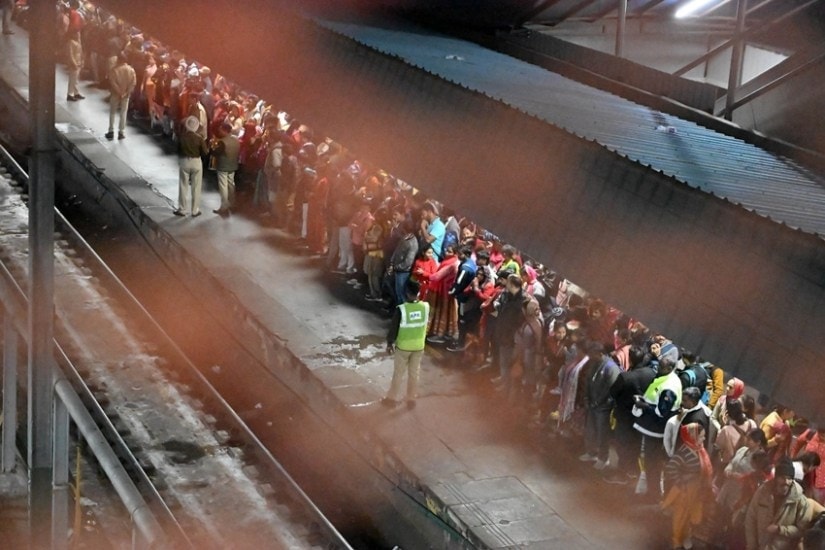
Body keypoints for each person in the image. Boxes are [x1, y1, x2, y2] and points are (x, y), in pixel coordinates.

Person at [662, 423, 713, 550]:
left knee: (692, 515)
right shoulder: (683, 453)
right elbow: (671, 468)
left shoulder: (699, 450)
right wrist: (681, 484)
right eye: (701, 437)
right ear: (692, 437)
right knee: (680, 517)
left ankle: (686, 537)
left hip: (697, 490)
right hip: (685, 491)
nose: (704, 439)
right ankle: (677, 542)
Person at [382, 279, 430, 410]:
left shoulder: (402, 310)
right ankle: (411, 399)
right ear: (419, 292)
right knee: (414, 374)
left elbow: (393, 329)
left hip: (403, 347)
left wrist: (389, 343)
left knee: (398, 374)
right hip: (419, 346)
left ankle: (391, 398)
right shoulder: (425, 307)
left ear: (407, 293)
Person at [745, 456, 810, 550]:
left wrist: (780, 529)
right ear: (776, 478)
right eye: (783, 478)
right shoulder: (762, 493)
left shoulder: (800, 500)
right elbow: (751, 519)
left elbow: (802, 530)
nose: (786, 482)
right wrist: (752, 546)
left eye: (789, 478)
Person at [580, 341, 620, 470]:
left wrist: (601, 402)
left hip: (603, 408)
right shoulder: (594, 364)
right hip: (592, 404)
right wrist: (586, 397)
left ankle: (604, 458)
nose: (590, 357)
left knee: (603, 434)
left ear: (600, 353)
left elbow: (612, 389)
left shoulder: (611, 367)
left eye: (592, 354)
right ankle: (591, 453)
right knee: (590, 430)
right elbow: (588, 381)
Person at [173, 116, 208, 217]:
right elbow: (205, 152)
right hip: (196, 162)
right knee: (196, 186)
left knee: (183, 185)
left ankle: (182, 209)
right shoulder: (199, 138)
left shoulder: (181, 137)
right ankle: (195, 210)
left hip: (184, 161)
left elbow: (177, 149)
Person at [211, 122, 240, 216]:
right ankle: (233, 203)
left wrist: (212, 146)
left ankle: (224, 206)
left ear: (225, 130)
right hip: (233, 165)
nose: (219, 131)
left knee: (223, 186)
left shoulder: (222, 142)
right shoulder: (236, 140)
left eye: (221, 129)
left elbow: (216, 153)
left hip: (223, 166)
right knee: (231, 184)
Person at [106, 54, 136, 140]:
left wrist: (119, 92)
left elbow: (112, 82)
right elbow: (133, 82)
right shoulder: (131, 70)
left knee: (112, 112)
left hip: (115, 94)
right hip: (126, 95)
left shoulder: (114, 70)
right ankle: (121, 132)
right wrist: (126, 92)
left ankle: (111, 131)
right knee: (123, 113)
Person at [388, 220, 418, 306]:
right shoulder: (404, 238)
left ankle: (403, 314)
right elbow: (397, 250)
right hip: (397, 269)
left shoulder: (413, 243)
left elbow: (408, 262)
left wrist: (395, 267)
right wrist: (392, 263)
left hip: (403, 272)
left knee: (402, 294)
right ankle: (398, 311)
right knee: (397, 292)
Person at [66, 30, 85, 102]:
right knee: (72, 79)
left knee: (76, 79)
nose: (78, 35)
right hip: (74, 63)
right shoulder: (71, 42)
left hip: (78, 62)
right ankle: (70, 94)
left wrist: (82, 61)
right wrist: (73, 63)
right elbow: (70, 54)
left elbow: (81, 52)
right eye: (77, 34)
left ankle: (76, 92)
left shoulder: (78, 42)